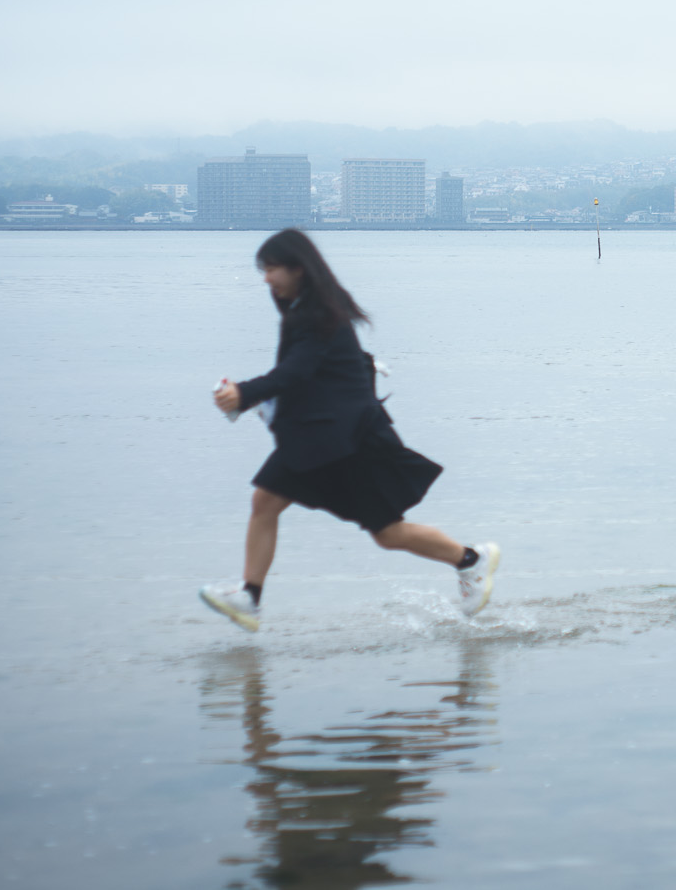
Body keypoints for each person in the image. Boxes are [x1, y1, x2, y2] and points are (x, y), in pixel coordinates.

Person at [200, 228, 499, 631]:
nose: (266, 278)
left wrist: (245, 394)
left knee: (387, 533)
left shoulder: (318, 314)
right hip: (320, 438)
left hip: (346, 442)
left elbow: (296, 371)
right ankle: (250, 597)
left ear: (298, 268)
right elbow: (311, 375)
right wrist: (250, 399)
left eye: (272, 269)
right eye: (264, 270)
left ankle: (472, 560)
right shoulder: (307, 309)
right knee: (268, 503)